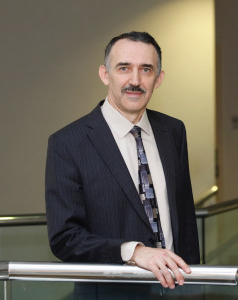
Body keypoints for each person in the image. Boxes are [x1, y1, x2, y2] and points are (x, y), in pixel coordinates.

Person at [45, 31, 200, 292]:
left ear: (159, 79)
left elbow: (185, 221)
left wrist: (196, 287)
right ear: (105, 74)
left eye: (146, 70)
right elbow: (65, 239)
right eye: (124, 68)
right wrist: (134, 252)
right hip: (110, 295)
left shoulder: (173, 131)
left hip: (176, 291)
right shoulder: (68, 143)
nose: (135, 80)